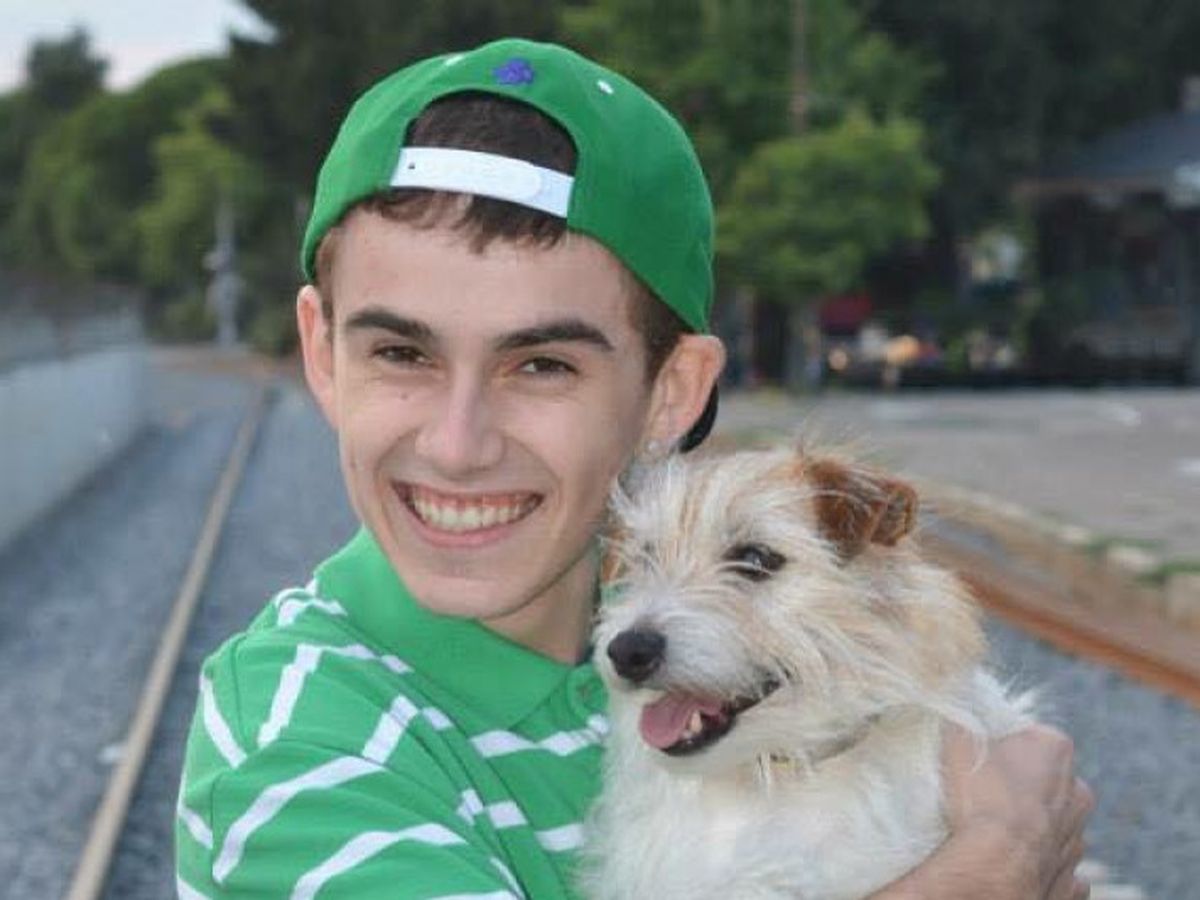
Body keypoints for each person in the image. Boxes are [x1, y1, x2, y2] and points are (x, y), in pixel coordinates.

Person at [175, 37, 1093, 899]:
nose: (457, 444)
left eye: (542, 365)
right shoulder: (294, 738)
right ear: (322, 351)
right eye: (402, 354)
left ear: (671, 392)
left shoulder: (700, 673)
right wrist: (997, 859)